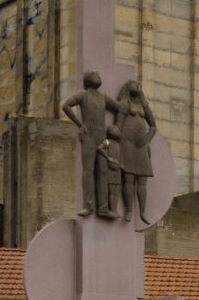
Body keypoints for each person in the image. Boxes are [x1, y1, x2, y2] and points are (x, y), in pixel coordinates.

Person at [62, 71, 116, 219]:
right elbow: (66, 106)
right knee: (88, 170)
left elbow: (118, 108)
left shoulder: (103, 97)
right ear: (88, 80)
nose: (99, 76)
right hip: (89, 135)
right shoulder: (83, 95)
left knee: (103, 172)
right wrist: (79, 124)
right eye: (95, 75)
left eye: (99, 75)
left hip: (102, 135)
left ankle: (104, 208)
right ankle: (88, 205)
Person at [110, 80, 157, 222]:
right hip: (127, 143)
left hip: (141, 145)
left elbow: (153, 126)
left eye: (138, 84)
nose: (136, 85)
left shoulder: (144, 106)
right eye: (132, 84)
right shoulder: (125, 103)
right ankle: (129, 210)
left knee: (142, 180)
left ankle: (142, 212)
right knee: (128, 179)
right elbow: (118, 124)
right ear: (127, 88)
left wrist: (148, 142)